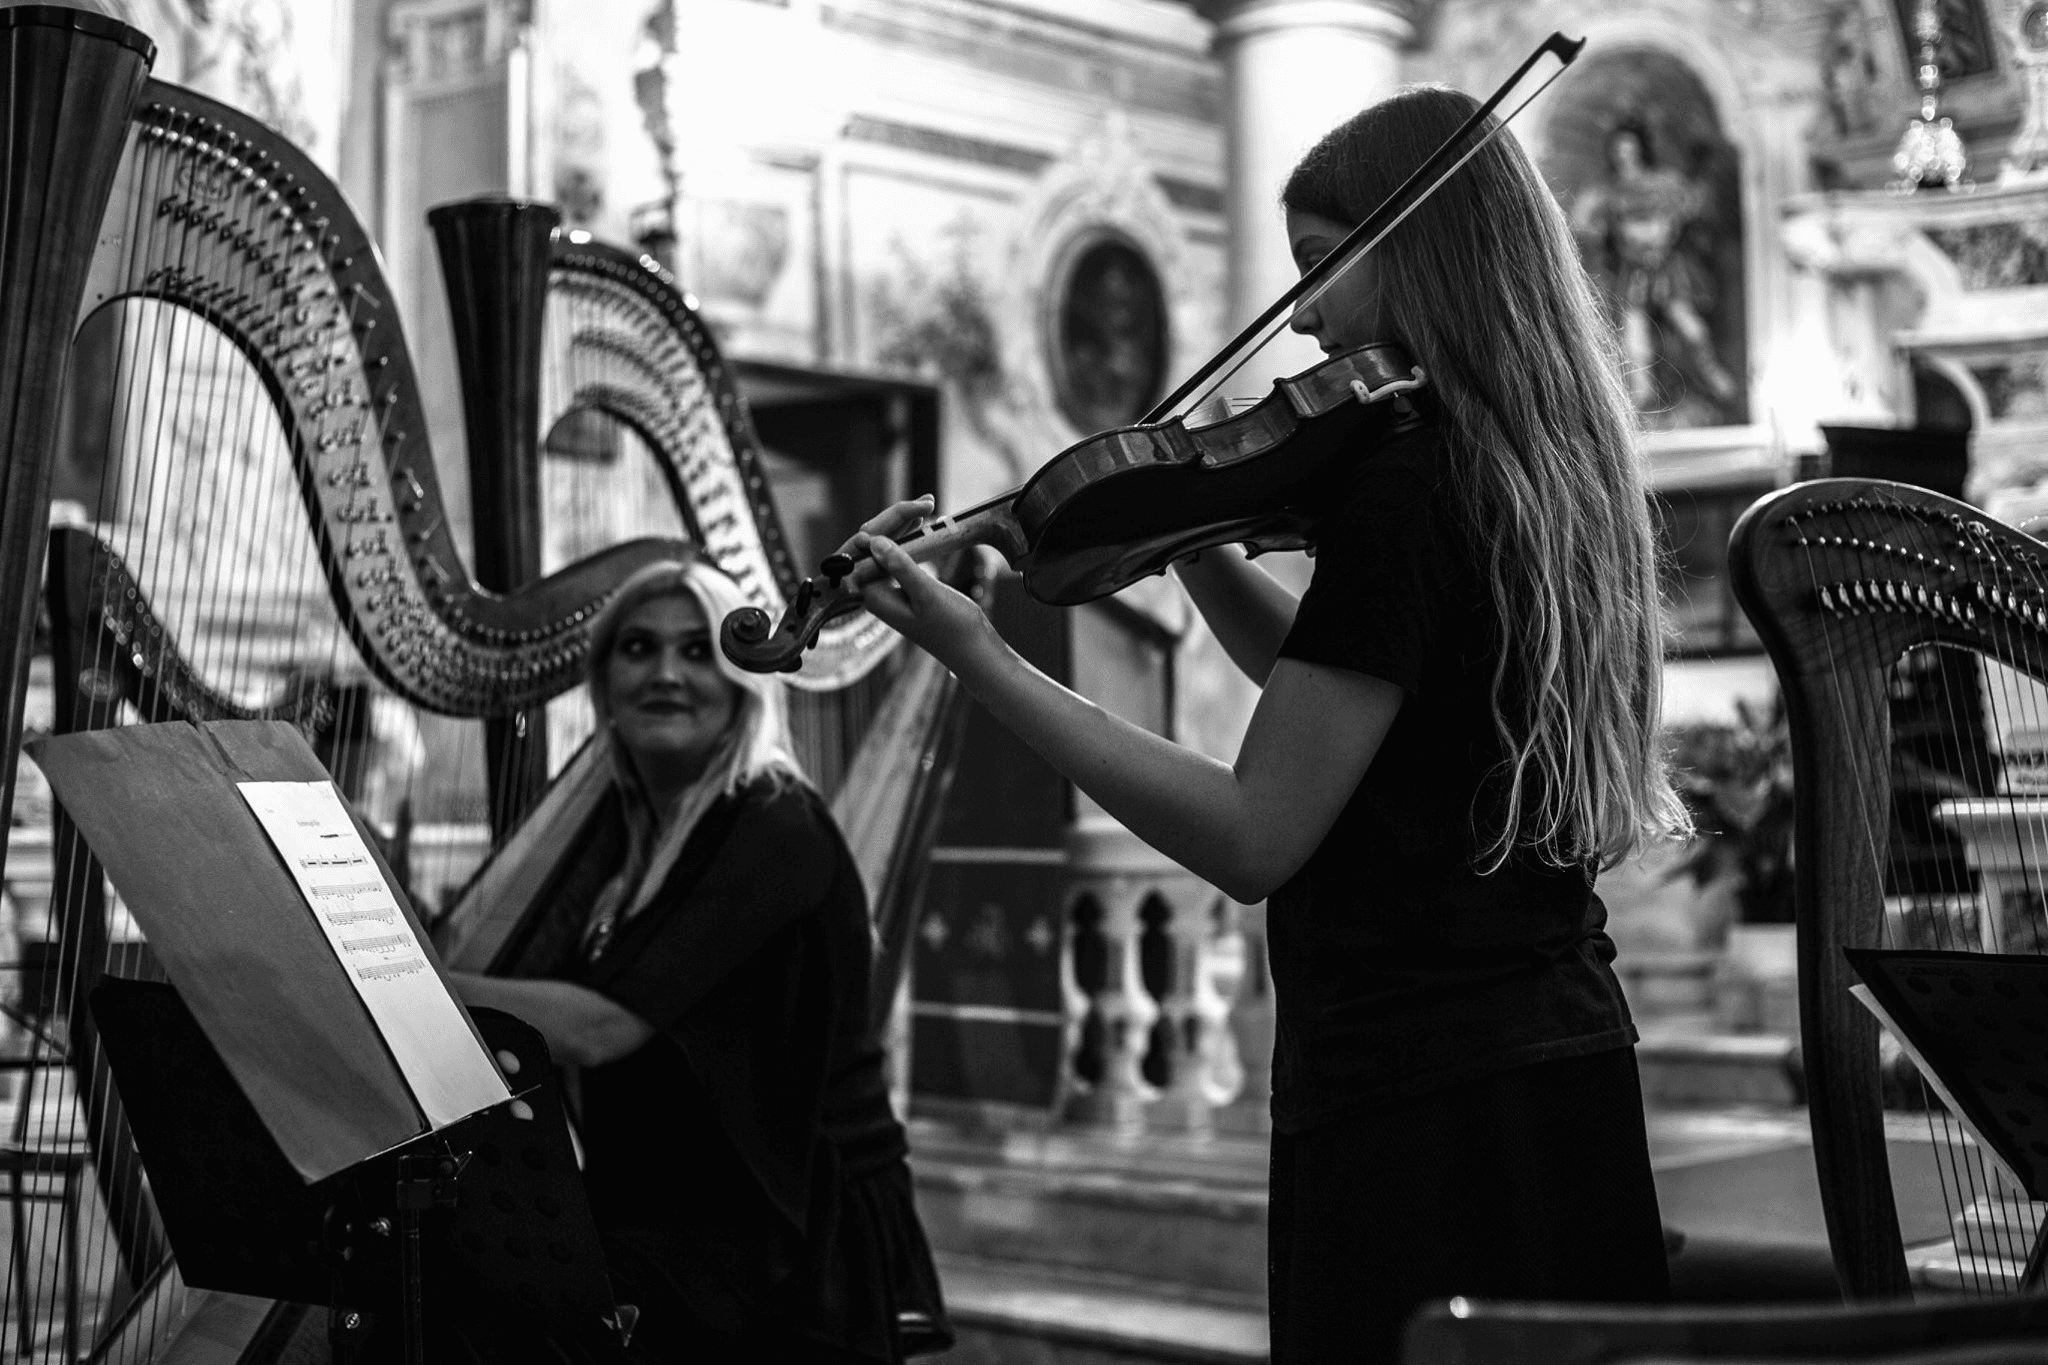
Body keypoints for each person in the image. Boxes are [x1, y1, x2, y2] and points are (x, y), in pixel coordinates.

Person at [848, 86, 1686, 1364]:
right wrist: (1178, 531)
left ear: (1421, 248)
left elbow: (1253, 834)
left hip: (1422, 1090)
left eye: (1316, 270)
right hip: (1545, 1059)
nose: (1297, 318)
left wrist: (980, 656)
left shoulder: (1409, 487)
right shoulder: (1514, 462)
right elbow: (1355, 688)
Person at [447, 556, 949, 1364]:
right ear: (602, 682)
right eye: (638, 648)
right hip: (688, 1209)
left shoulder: (774, 822)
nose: (667, 673)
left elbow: (602, 1027)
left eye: (697, 650)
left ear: (746, 678)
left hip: (791, 1231)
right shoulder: (639, 835)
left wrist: (399, 978)